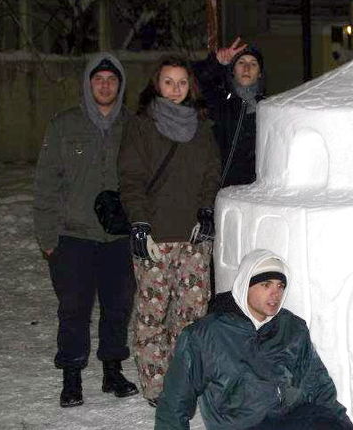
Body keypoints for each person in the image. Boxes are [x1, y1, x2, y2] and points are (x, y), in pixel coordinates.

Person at [33, 53, 139, 407]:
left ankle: (112, 370)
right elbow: (46, 184)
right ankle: (71, 375)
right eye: (99, 79)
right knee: (73, 308)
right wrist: (48, 239)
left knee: (118, 306)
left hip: (118, 238)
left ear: (120, 85)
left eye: (112, 79)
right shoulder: (64, 125)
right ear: (88, 83)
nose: (105, 85)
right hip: (73, 236)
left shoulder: (135, 126)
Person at [154, 249, 353, 430]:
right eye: (266, 284)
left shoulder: (292, 328)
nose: (275, 294)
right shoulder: (205, 335)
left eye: (280, 286)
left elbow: (318, 385)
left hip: (293, 417)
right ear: (245, 285)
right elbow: (174, 402)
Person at [118, 55, 221, 406]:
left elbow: (211, 172)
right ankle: (157, 388)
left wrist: (207, 208)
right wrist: (140, 221)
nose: (175, 89)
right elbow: (130, 178)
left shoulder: (202, 126)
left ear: (190, 86)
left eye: (181, 82)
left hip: (193, 238)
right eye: (168, 82)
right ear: (156, 85)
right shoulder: (142, 126)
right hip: (155, 239)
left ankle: (183, 384)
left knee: (191, 317)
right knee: (152, 315)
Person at [196, 37, 265, 187]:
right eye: (241, 63)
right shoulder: (221, 101)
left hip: (249, 196)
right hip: (213, 189)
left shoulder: (267, 109)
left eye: (253, 64)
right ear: (233, 70)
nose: (247, 68)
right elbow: (197, 82)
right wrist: (216, 62)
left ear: (260, 73)